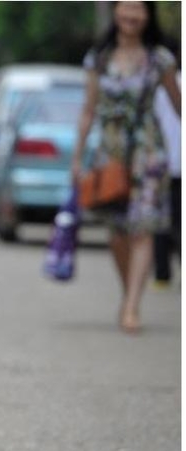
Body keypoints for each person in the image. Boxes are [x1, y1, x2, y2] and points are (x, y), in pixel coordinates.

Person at [71, 1, 180, 333]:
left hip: (149, 152)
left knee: (142, 228)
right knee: (117, 232)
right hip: (110, 153)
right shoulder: (99, 59)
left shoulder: (160, 59)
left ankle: (132, 306)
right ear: (115, 11)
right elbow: (88, 110)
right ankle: (127, 293)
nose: (131, 15)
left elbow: (178, 105)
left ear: (148, 15)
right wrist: (77, 158)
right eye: (126, 7)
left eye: (138, 8)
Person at [152, 66, 180, 287]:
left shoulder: (159, 88)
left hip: (161, 163)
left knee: (162, 221)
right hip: (164, 163)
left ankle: (162, 275)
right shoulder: (160, 87)